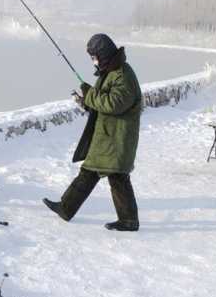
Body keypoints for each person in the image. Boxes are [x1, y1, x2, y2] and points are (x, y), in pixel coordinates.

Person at [43, 34, 142, 231]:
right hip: (109, 138)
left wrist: (90, 95)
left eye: (94, 57)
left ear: (103, 55)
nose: (93, 61)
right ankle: (67, 208)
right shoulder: (111, 71)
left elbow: (113, 104)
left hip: (116, 139)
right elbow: (103, 104)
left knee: (110, 175)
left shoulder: (123, 76)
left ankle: (127, 220)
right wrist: (85, 100)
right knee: (99, 174)